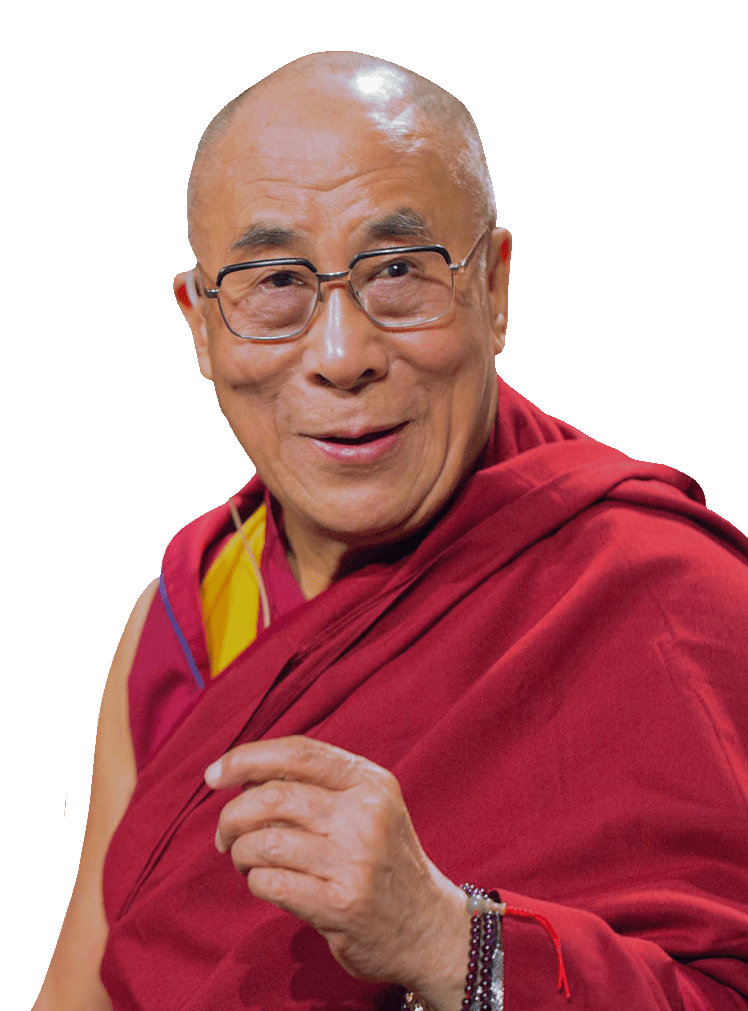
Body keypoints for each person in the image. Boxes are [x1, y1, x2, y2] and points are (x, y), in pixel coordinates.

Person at [34, 52, 748, 1011]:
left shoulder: (668, 596)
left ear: (493, 286)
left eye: (400, 271)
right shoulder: (191, 606)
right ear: (201, 324)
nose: (342, 355)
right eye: (274, 281)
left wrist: (448, 939)